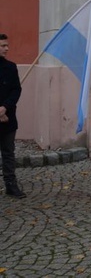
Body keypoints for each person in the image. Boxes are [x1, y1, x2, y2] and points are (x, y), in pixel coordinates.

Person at [0, 34, 25, 198]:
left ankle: (11, 185)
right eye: (3, 46)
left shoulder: (11, 67)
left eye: (7, 45)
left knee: (8, 153)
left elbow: (16, 90)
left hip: (8, 118)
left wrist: (4, 108)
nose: (7, 48)